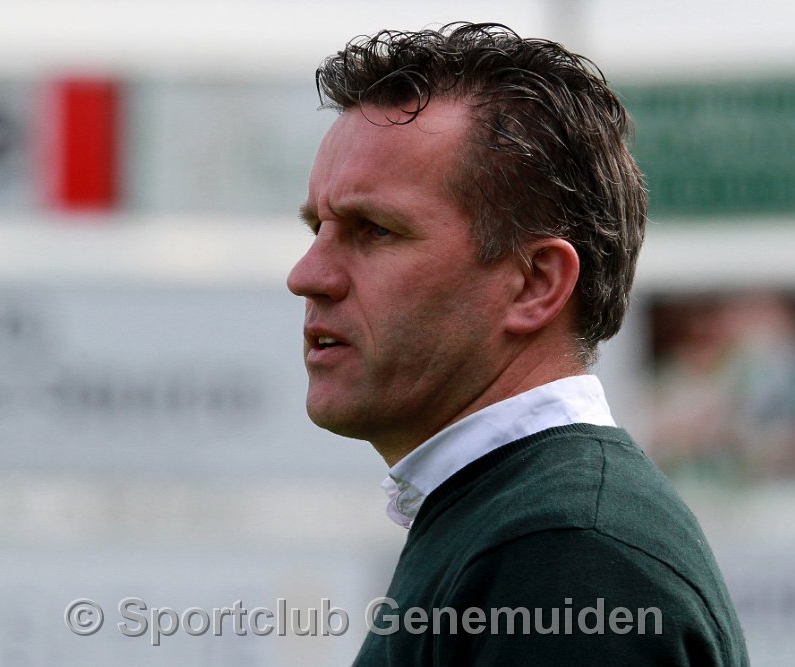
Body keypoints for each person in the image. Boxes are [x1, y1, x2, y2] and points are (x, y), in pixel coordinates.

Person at [287, 22, 748, 665]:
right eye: (318, 227)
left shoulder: (567, 551)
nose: (307, 275)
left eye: (375, 230)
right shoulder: (520, 523)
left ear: (535, 284)